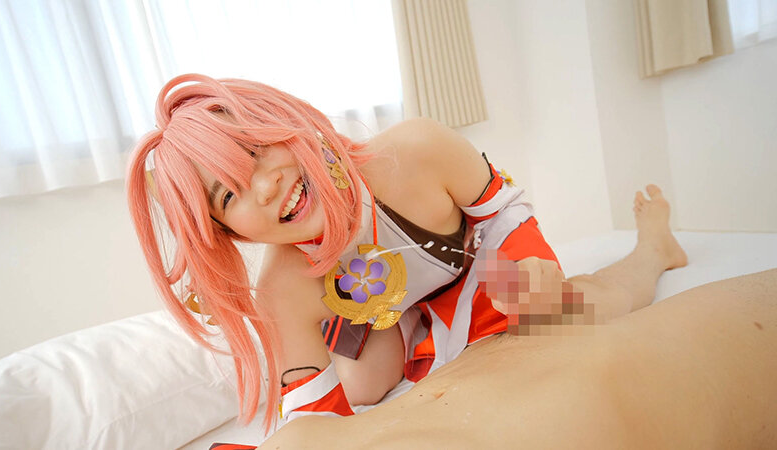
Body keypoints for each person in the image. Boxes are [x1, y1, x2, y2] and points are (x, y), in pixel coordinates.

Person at [126, 74, 690, 445]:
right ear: (228, 232)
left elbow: (502, 214)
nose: (264, 186)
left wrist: (532, 267)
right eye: (229, 195)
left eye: (255, 150)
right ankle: (374, 322)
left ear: (287, 122)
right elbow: (315, 415)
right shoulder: (283, 287)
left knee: (577, 309)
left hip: (479, 267)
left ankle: (653, 248)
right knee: (367, 388)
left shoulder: (414, 150)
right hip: (397, 322)